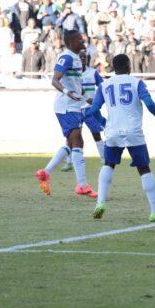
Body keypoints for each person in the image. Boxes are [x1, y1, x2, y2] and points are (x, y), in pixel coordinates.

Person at [86, 54, 155, 222]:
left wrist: (105, 123)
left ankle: (100, 203)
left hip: (113, 132)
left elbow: (93, 109)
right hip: (133, 132)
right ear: (128, 66)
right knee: (144, 168)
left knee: (108, 165)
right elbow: (150, 104)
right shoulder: (136, 82)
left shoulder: (105, 85)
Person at [35, 30, 97, 198]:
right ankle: (82, 185)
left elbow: (77, 83)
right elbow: (55, 80)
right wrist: (67, 92)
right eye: (79, 40)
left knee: (71, 143)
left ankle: (45, 173)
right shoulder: (67, 57)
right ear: (71, 42)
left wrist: (86, 98)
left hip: (75, 105)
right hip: (65, 106)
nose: (83, 42)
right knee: (78, 140)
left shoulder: (77, 58)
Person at [61, 49, 106, 172]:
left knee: (96, 134)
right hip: (75, 108)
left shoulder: (93, 73)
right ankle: (69, 162)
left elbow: (103, 87)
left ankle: (104, 160)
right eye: (81, 57)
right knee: (72, 136)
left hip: (89, 109)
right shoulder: (72, 73)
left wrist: (97, 101)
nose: (83, 59)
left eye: (85, 57)